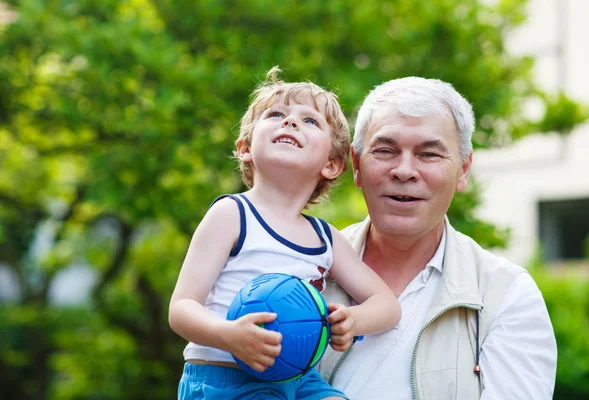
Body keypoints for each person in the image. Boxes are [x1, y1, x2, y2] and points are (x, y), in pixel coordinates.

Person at [168, 67, 402, 400]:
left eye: (310, 121)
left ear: (332, 164)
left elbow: (387, 305)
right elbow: (181, 308)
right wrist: (228, 334)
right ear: (245, 148)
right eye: (276, 114)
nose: (290, 122)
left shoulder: (326, 238)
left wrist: (353, 320)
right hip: (225, 376)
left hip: (299, 378)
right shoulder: (232, 215)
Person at [318, 77, 557, 400]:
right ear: (357, 165)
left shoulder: (506, 296)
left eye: (428, 154)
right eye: (386, 150)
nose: (404, 171)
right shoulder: (309, 270)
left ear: (463, 170)